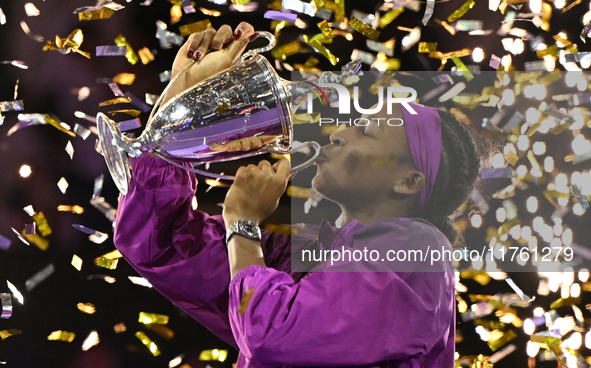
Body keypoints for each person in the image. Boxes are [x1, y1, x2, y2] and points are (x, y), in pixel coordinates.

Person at [113, 22, 482, 367]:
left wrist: (242, 226)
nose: (337, 134)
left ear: (407, 181)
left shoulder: (419, 254)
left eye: (366, 132)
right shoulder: (313, 253)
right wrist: (186, 94)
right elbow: (157, 243)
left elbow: (272, 331)